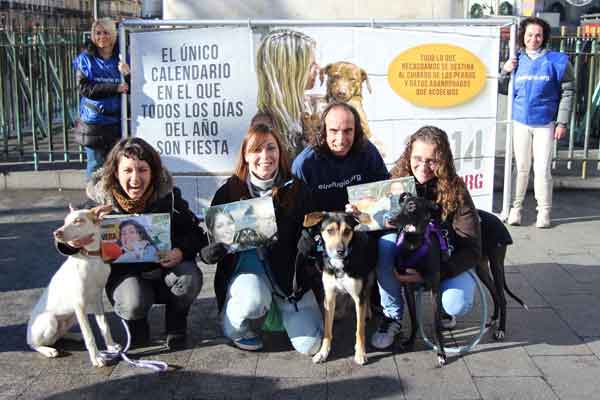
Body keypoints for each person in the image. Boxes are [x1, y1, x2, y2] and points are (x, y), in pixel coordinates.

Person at [56, 137, 206, 349]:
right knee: (133, 301)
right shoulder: (98, 205)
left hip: (166, 270)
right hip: (125, 275)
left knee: (189, 278)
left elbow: (195, 234)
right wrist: (73, 244)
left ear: (153, 172)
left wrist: (180, 251)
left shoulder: (169, 198)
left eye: (142, 170)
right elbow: (68, 237)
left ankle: (176, 324)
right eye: (128, 170)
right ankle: (136, 325)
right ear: (116, 172)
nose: (135, 178)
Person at [200, 121, 323, 354]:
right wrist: (207, 253)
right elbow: (209, 239)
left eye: (271, 148)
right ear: (245, 156)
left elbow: (314, 225)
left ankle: (283, 312)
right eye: (256, 150)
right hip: (248, 271)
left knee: (310, 345)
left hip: (288, 277)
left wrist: (308, 239)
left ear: (280, 152)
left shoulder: (296, 189)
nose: (264, 156)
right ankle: (233, 325)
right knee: (253, 299)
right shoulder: (229, 191)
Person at [370, 126, 482, 350]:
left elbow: (472, 249)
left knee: (456, 303)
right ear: (408, 155)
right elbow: (378, 218)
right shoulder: (397, 180)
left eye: (432, 160)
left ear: (443, 160)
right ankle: (392, 316)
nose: (423, 167)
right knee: (384, 244)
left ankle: (442, 308)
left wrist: (432, 273)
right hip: (410, 250)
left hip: (445, 259)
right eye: (417, 158)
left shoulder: (455, 189)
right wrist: (362, 214)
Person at [499, 16, 574, 228]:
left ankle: (544, 212)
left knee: (542, 169)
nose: (534, 38)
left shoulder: (557, 61)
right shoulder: (516, 60)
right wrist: (505, 71)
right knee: (521, 167)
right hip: (521, 121)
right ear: (523, 36)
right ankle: (516, 209)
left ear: (544, 37)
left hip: (545, 123)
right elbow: (503, 88)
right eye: (530, 34)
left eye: (538, 35)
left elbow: (568, 91)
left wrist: (562, 123)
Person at [291, 101, 389, 211]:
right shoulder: (304, 164)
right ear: (323, 131)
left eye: (348, 131)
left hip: (361, 222)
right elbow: (297, 213)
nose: (341, 139)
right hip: (324, 226)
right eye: (334, 131)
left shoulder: (367, 152)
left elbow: (384, 190)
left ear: (356, 131)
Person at [73, 18, 130, 179]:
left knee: (117, 168)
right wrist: (115, 88)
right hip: (94, 122)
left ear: (113, 35)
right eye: (97, 33)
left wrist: (128, 74)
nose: (101, 37)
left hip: (118, 121)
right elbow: (85, 89)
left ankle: (113, 203)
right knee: (96, 168)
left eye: (106, 32)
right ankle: (95, 201)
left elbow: (135, 87)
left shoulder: (123, 57)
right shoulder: (85, 59)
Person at [256, 29, 320, 156]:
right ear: (291, 71)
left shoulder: (300, 115)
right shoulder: (266, 127)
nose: (318, 68)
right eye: (311, 64)